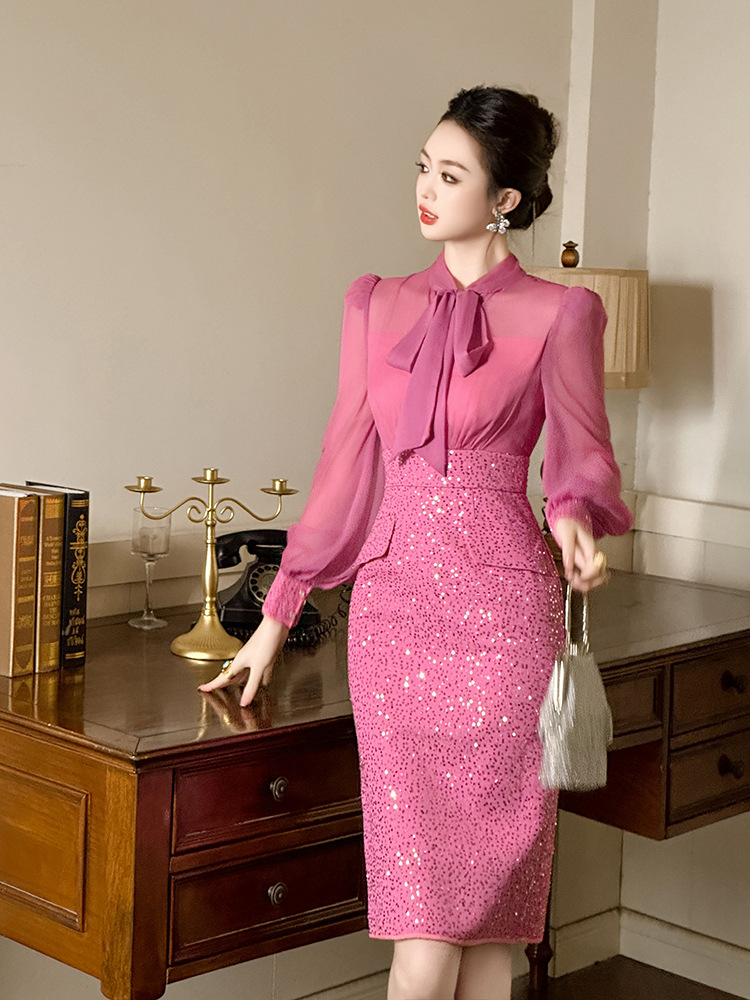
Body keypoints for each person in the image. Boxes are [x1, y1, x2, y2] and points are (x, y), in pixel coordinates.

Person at [200, 86, 632, 1000]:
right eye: (423, 169)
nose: (426, 191)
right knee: (425, 928)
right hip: (394, 624)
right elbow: (341, 470)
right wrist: (274, 622)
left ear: (504, 197)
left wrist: (577, 531)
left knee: (490, 931)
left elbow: (577, 461)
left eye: (451, 175)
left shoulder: (563, 313)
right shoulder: (375, 304)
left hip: (506, 627)